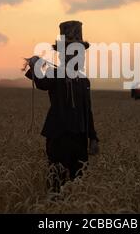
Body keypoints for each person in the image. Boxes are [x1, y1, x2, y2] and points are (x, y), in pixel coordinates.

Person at [24, 20, 99, 193]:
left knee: (78, 180)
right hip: (58, 137)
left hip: (79, 138)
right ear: (62, 55)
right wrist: (34, 65)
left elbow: (87, 111)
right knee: (56, 180)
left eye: (80, 53)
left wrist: (93, 138)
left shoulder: (84, 81)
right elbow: (42, 83)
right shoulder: (55, 74)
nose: (77, 56)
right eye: (72, 52)